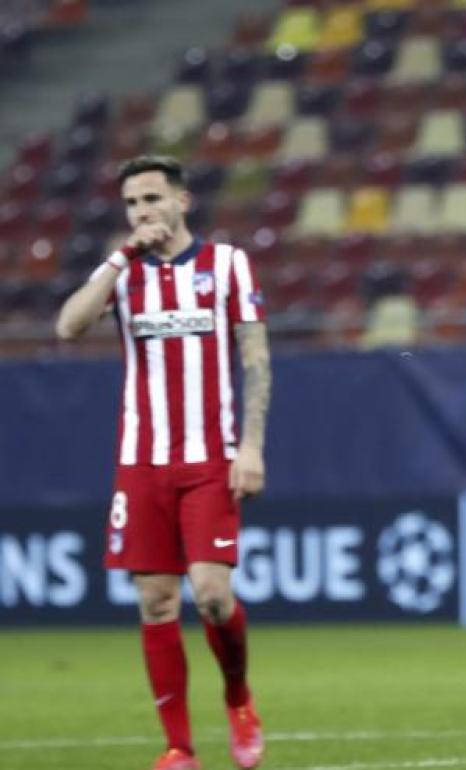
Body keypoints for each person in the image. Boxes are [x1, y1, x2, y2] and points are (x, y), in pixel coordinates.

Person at [55, 155, 272, 770]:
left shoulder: (227, 264)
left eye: (152, 199)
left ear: (182, 201)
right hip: (141, 462)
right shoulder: (122, 275)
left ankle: (237, 695)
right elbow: (69, 327)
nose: (143, 212)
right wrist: (120, 255)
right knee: (154, 602)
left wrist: (251, 447)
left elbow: (256, 359)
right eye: (132, 203)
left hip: (211, 458)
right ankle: (178, 747)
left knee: (210, 594)